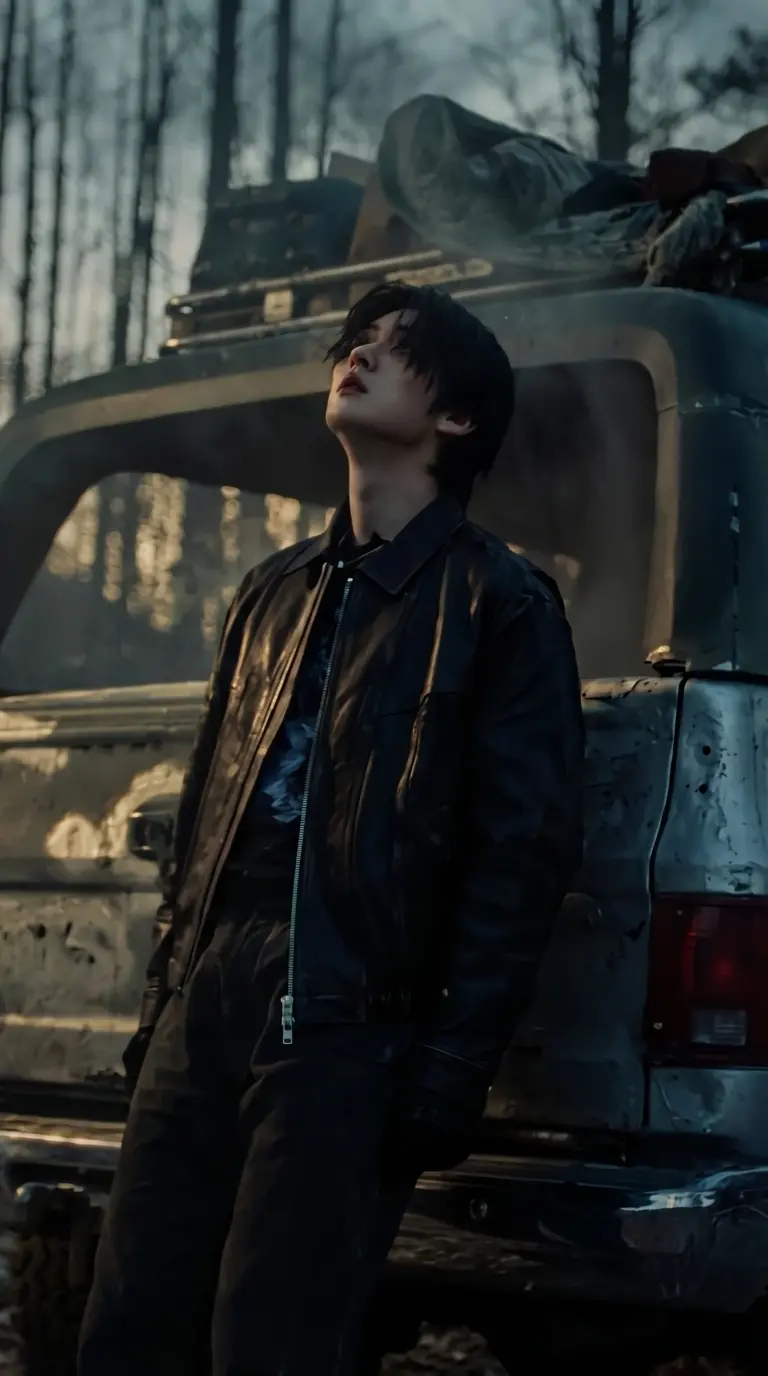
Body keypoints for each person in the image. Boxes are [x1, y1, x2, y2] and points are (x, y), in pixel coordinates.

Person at [77, 281, 585, 1376]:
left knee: (273, 1342)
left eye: (395, 347)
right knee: (126, 1328)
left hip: (349, 1014)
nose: (357, 354)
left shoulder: (498, 600)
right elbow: (209, 810)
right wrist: (166, 998)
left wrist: (450, 1061)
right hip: (211, 990)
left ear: (456, 416)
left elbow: (522, 853)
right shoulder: (270, 591)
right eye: (355, 340)